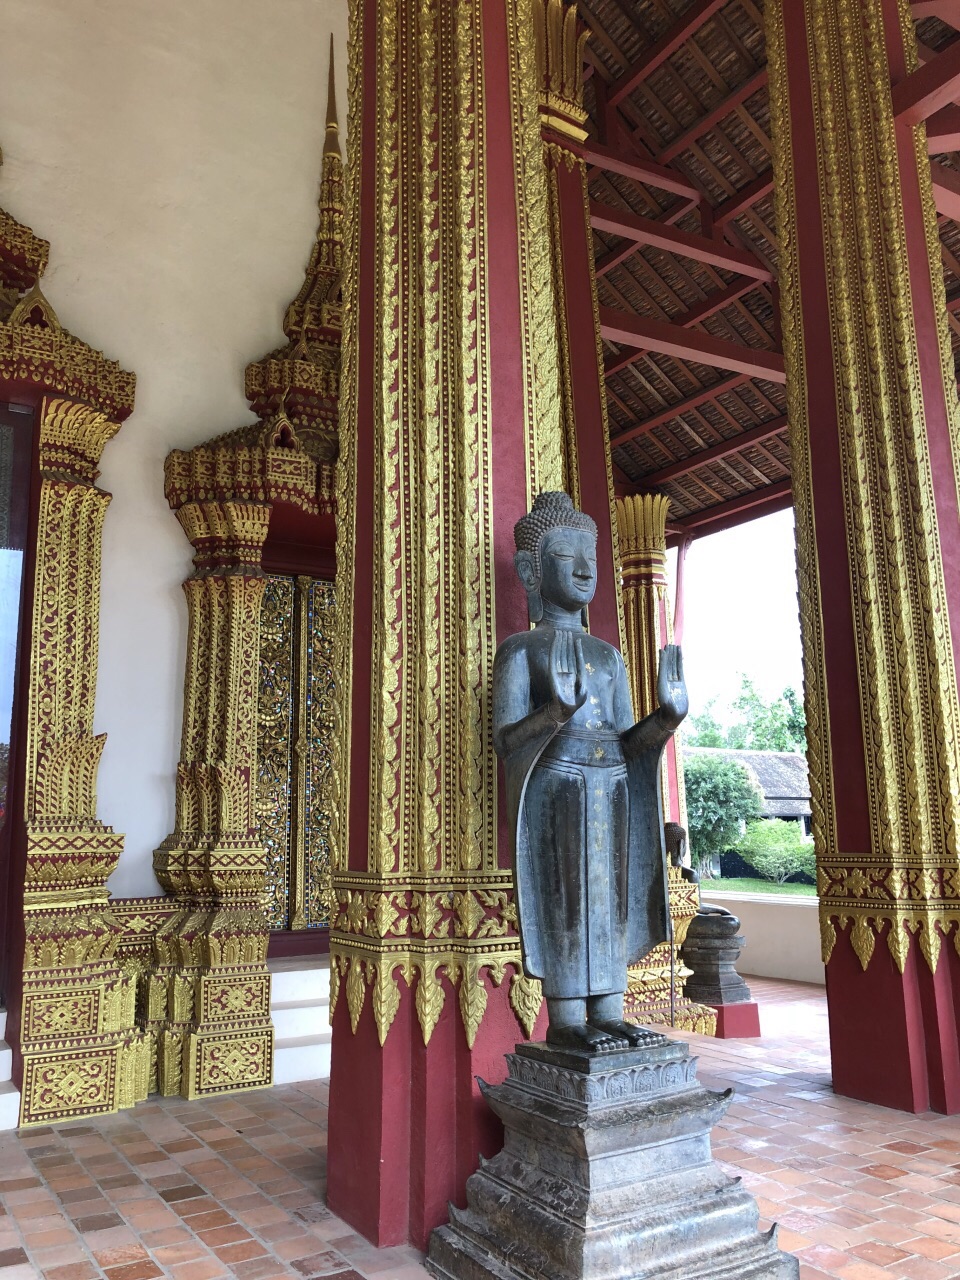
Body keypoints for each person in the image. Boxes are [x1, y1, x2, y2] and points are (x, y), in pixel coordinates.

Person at [493, 491, 687, 1053]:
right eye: (566, 557)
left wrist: (667, 719)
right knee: (568, 900)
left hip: (614, 790)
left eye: (590, 559)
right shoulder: (520, 651)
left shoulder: (608, 656)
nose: (583, 570)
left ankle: (611, 1011)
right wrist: (554, 713)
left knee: (611, 899)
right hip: (556, 789)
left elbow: (629, 741)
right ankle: (568, 1020)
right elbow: (506, 741)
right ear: (531, 570)